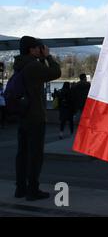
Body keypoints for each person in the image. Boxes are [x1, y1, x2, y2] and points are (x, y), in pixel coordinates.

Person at [14, 36, 61, 201]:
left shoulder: (20, 64)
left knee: (22, 153)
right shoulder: (33, 66)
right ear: (32, 49)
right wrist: (48, 57)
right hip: (35, 116)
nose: (40, 50)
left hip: (23, 115)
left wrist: (40, 59)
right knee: (35, 155)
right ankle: (33, 190)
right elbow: (56, 72)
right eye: (38, 47)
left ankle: (20, 188)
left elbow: (38, 78)